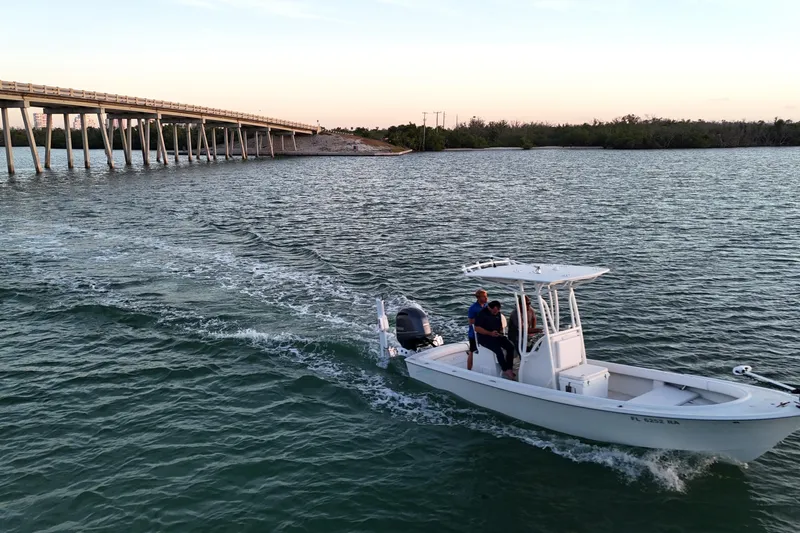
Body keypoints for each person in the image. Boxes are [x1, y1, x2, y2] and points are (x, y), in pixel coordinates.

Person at [474, 300, 516, 379]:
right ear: (490, 308)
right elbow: (477, 328)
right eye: (495, 311)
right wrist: (490, 333)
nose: (496, 313)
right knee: (498, 350)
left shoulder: (498, 313)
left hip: (496, 335)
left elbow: (499, 325)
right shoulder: (481, 314)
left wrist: (499, 333)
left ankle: (509, 367)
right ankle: (505, 369)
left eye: (498, 311)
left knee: (510, 346)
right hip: (484, 338)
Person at [467, 289, 488, 370]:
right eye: (484, 297)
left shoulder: (486, 305)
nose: (486, 298)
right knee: (472, 351)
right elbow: (470, 321)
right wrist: (482, 319)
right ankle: (469, 369)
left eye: (486, 296)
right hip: (474, 334)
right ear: (478, 298)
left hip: (483, 332)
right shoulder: (473, 308)